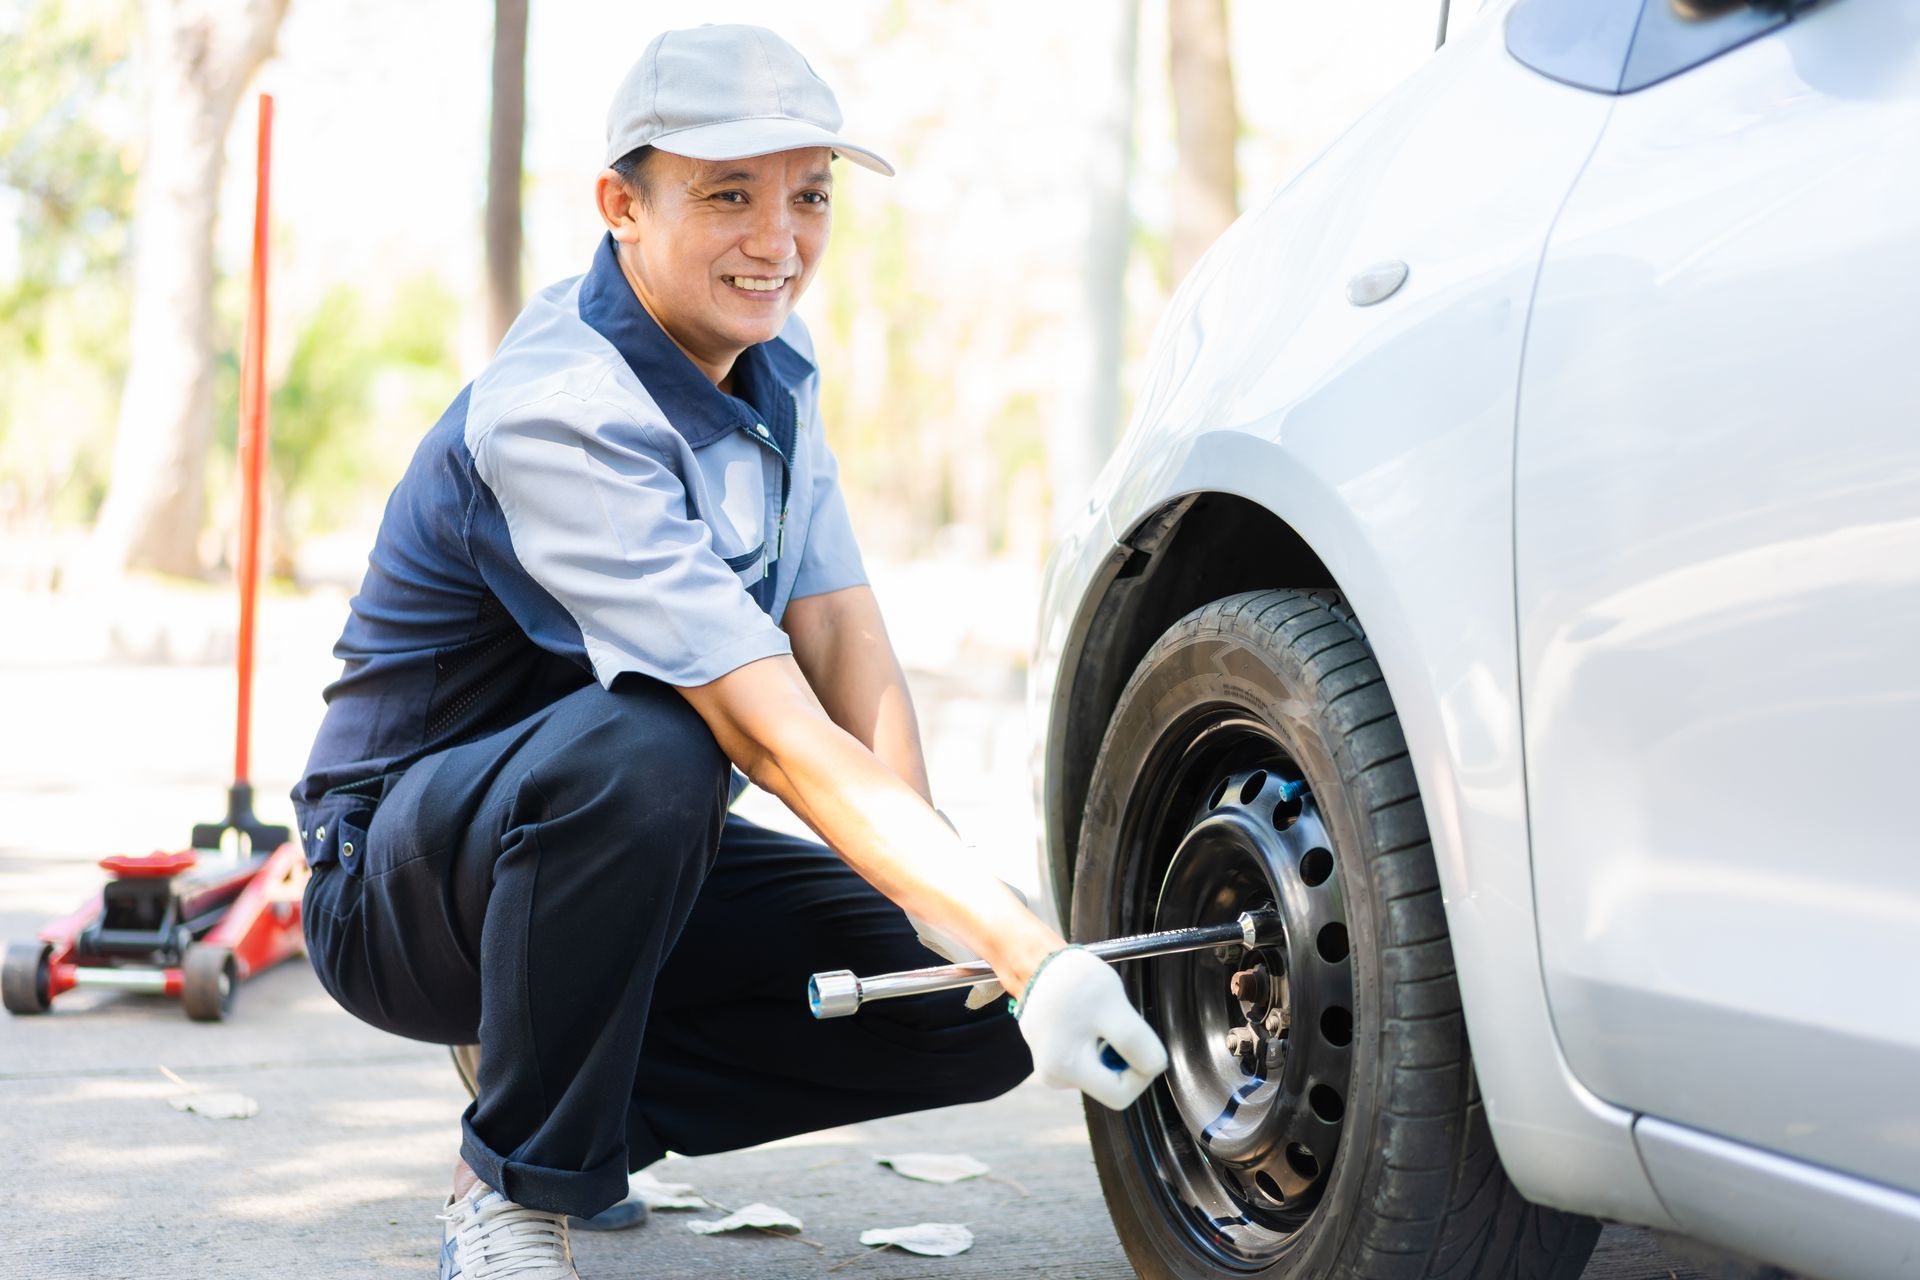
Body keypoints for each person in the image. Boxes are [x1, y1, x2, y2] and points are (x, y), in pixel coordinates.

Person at [291, 23, 1167, 1280]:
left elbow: (843, 635)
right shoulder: (563, 408)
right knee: (662, 741)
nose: (780, 240)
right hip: (400, 878)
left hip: (610, 850)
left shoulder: (775, 369)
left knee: (964, 1010)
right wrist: (1028, 947)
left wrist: (960, 916)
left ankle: (554, 1107)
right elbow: (765, 725)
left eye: (809, 194)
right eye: (728, 195)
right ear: (621, 205)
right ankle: (508, 1189)